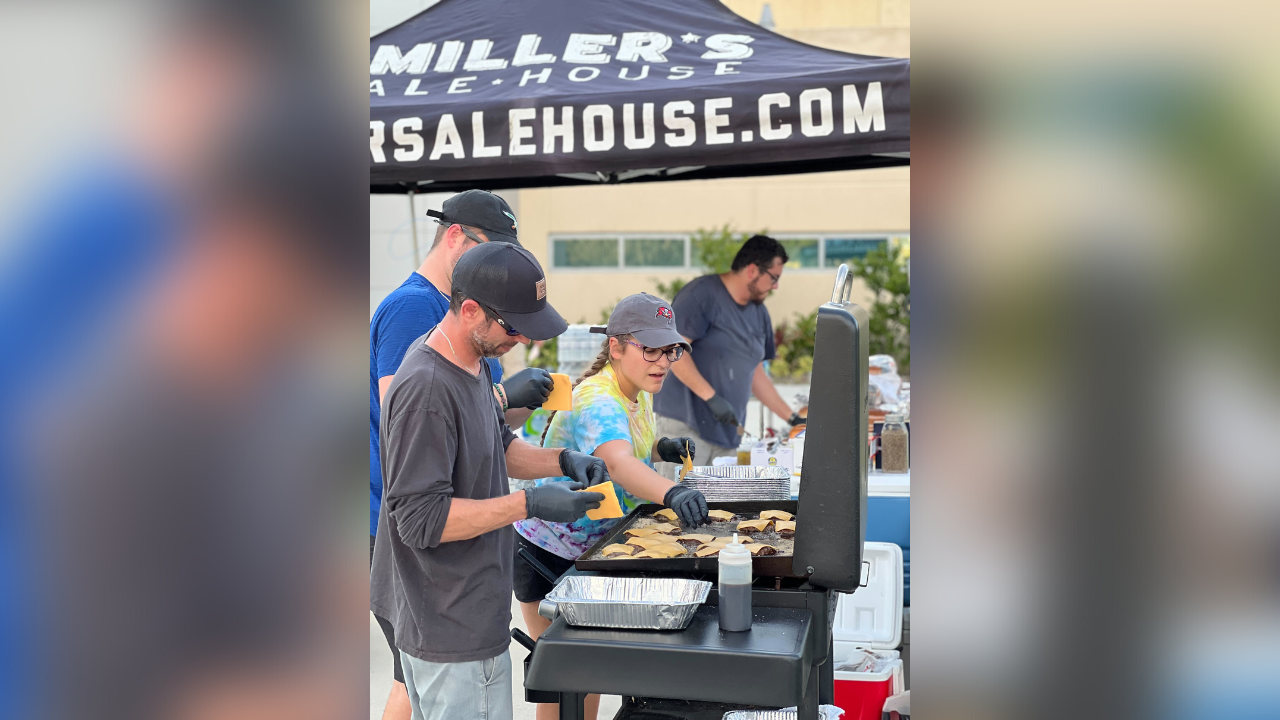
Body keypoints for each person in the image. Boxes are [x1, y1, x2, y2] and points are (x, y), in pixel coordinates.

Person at [370, 241, 611, 720]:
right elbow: (422, 521)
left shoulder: (471, 365)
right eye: (514, 327)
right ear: (470, 309)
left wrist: (563, 460)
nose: (520, 340)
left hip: (470, 606)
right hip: (448, 620)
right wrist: (531, 506)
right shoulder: (427, 389)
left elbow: (499, 448)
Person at [514, 293, 710, 720]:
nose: (663, 361)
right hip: (549, 552)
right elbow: (618, 463)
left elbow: (627, 446)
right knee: (563, 681)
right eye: (651, 349)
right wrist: (671, 493)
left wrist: (661, 449)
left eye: (671, 350)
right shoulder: (597, 398)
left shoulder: (638, 389)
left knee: (590, 677)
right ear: (617, 347)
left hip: (594, 549)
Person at [654, 235, 806, 461]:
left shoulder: (759, 313)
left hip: (728, 434)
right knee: (683, 495)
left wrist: (793, 419)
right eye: (774, 277)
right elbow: (674, 350)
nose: (776, 286)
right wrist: (712, 397)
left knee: (726, 497)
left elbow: (755, 373)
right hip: (685, 428)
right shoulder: (700, 296)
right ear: (753, 270)